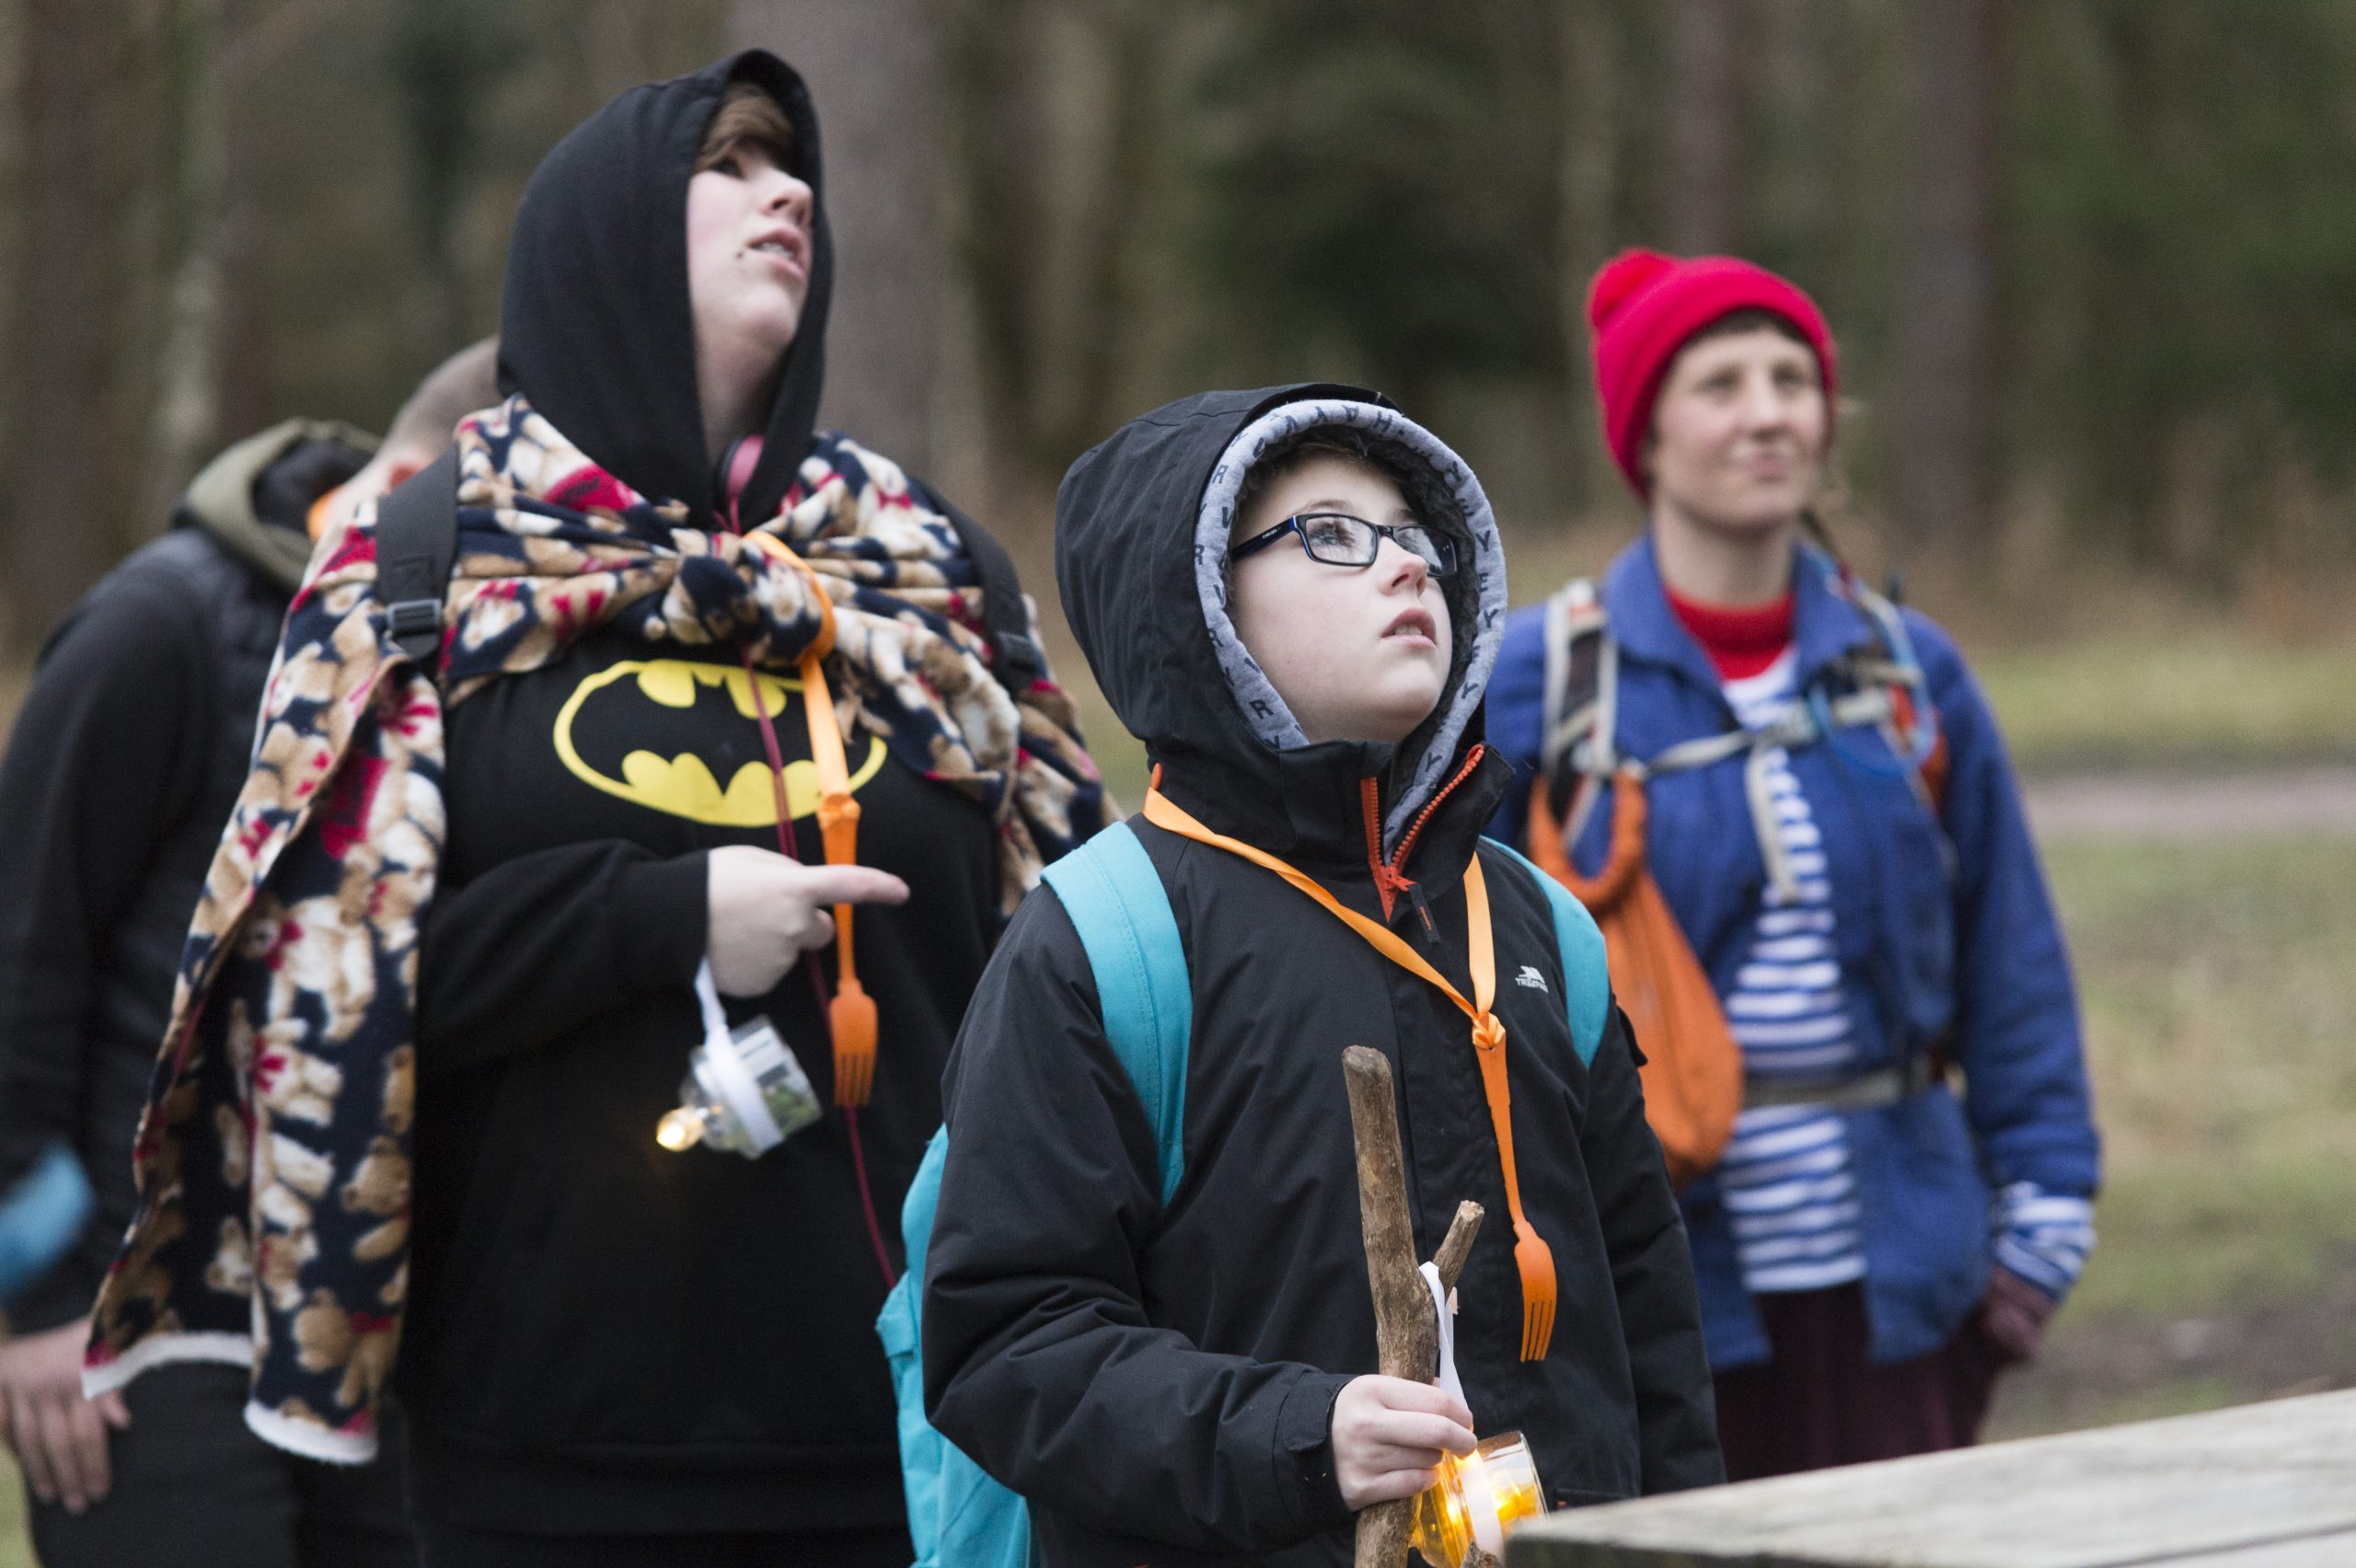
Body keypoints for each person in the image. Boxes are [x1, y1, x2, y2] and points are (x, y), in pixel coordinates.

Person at [82, 51, 1106, 1568]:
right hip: (546, 1448)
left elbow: (1068, 968)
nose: (791, 195)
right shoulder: (419, 566)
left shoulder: (931, 569)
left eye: (796, 168)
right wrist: (655, 918)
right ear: (602, 235)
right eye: (733, 166)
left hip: (922, 1427)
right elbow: (317, 1003)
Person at [923, 386, 1722, 1567]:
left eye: (1416, 537)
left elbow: (1648, 1317)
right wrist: (1303, 1437)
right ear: (1195, 603)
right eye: (1332, 536)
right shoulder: (1104, 941)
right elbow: (1009, 1345)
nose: (1404, 569)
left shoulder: (1539, 922)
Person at [1486, 249, 2100, 1478]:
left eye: (1792, 379)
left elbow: (2010, 960)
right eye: (1720, 384)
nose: (1769, 412)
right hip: (1654, 1291)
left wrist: (2041, 1225)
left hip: (1905, 1290)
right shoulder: (1540, 683)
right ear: (1643, 438)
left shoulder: (1912, 677)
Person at [0, 336, 498, 1565]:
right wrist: (38, 1303)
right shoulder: (162, 626)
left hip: (377, 1337)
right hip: (142, 1334)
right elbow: (21, 954)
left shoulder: (485, 671)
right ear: (437, 474)